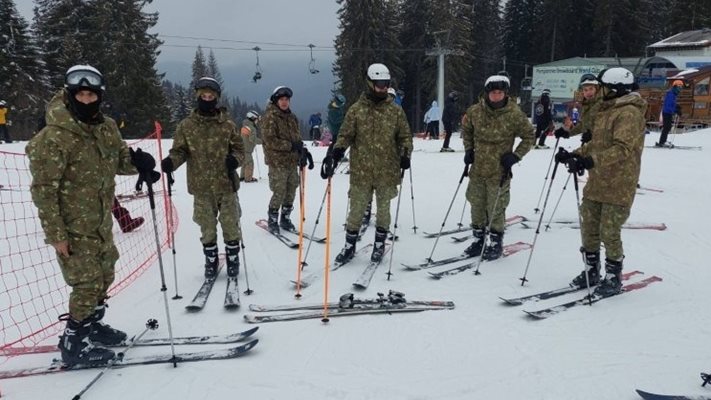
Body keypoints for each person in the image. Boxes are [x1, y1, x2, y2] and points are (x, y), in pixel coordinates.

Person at [26, 65, 160, 367]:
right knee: (86, 284)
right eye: (81, 95)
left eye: (92, 95)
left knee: (105, 275)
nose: (86, 101)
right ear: (71, 95)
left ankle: (92, 326)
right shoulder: (53, 137)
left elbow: (118, 160)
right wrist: (56, 234)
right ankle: (75, 345)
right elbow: (43, 190)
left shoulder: (106, 127)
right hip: (73, 225)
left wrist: (140, 163)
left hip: (99, 221)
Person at [555, 67, 646, 297]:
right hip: (597, 181)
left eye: (603, 87)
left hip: (618, 183)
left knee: (609, 230)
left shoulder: (628, 113)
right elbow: (597, 143)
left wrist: (589, 161)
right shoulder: (606, 110)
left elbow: (622, 149)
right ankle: (591, 270)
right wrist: (574, 154)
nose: (599, 91)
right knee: (589, 227)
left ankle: (613, 276)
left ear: (613, 88)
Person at [321, 63, 412, 264]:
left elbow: (405, 136)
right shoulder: (356, 110)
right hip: (361, 171)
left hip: (386, 171)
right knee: (356, 210)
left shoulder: (395, 111)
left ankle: (379, 245)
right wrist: (336, 152)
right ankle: (349, 246)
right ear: (370, 84)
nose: (382, 88)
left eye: (386, 84)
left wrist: (406, 153)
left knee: (383, 211)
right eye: (379, 84)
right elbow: (345, 135)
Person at [161, 77, 245, 279]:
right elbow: (180, 151)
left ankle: (233, 258)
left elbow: (240, 150)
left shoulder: (227, 125)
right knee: (206, 226)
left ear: (216, 98)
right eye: (203, 96)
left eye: (211, 96)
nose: (207, 99)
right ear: (197, 97)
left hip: (226, 184)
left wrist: (235, 159)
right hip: (201, 186)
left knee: (230, 223)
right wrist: (171, 162)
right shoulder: (186, 126)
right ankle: (211, 259)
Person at [461, 74, 534, 260]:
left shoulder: (514, 114)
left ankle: (495, 242)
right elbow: (467, 130)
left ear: (505, 93)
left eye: (500, 92)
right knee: (476, 204)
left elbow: (529, 137)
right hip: (478, 169)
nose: (496, 96)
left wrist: (516, 155)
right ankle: (478, 240)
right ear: (487, 93)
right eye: (493, 92)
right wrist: (469, 149)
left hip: (499, 171)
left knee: (496, 207)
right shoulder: (475, 111)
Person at [36, 109, 145, 232]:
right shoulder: (53, 118)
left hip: (82, 161)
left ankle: (124, 220)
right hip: (61, 163)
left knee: (101, 189)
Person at [262, 86, 309, 234]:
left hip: (291, 162)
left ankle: (285, 218)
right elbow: (270, 141)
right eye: (281, 99)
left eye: (286, 100)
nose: (284, 102)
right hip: (277, 162)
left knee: (291, 190)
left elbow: (297, 137)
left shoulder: (292, 118)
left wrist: (301, 150)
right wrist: (290, 146)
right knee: (279, 191)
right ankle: (273, 220)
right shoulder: (270, 118)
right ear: (276, 101)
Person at [554, 73, 601, 144]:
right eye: (585, 90)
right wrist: (566, 132)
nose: (588, 92)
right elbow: (583, 125)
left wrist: (594, 135)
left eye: (591, 89)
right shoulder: (587, 105)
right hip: (591, 147)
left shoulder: (602, 104)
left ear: (597, 89)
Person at [656, 80, 684, 147]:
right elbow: (668, 105)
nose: (680, 88)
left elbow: (672, 104)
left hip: (668, 112)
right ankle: (662, 142)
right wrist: (675, 110)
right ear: (675, 86)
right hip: (667, 112)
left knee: (667, 127)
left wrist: (677, 106)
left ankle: (662, 141)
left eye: (681, 86)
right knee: (667, 127)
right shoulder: (671, 93)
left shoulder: (673, 93)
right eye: (679, 86)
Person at [240, 110, 261, 182]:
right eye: (256, 119)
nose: (257, 121)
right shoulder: (252, 128)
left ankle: (242, 176)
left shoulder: (245, 126)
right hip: (247, 150)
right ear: (253, 118)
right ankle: (248, 178)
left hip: (242, 148)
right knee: (249, 163)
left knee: (245, 163)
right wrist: (263, 141)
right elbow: (253, 139)